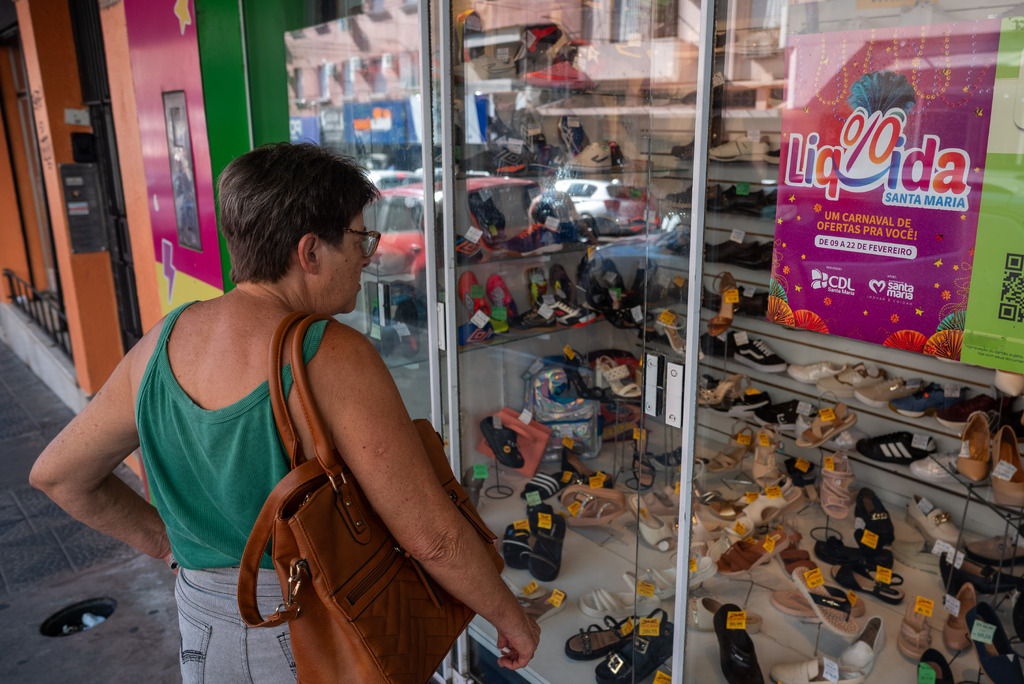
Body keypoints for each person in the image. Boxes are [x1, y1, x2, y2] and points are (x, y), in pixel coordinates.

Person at [29, 142, 540, 681]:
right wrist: (511, 617)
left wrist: (167, 541)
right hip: (306, 630)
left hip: (202, 626)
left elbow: (59, 475)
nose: (368, 255)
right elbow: (429, 536)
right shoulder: (330, 352)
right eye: (360, 238)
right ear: (310, 252)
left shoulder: (162, 340)